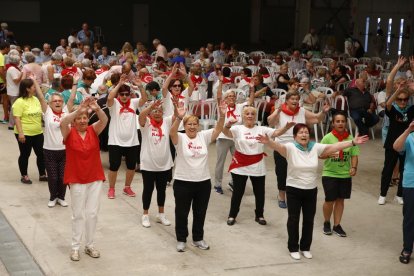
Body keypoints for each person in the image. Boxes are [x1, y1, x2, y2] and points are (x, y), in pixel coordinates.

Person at [257, 123, 368, 260]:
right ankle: (293, 247)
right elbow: (278, 147)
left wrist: (352, 142)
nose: (304, 135)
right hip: (293, 190)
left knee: (309, 220)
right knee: (293, 219)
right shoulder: (290, 148)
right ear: (294, 136)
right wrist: (268, 142)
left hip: (311, 190)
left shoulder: (315, 147)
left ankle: (305, 247)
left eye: (306, 132)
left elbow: (333, 147)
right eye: (301, 132)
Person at [222, 106, 294, 226]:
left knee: (259, 192)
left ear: (255, 117)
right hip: (240, 164)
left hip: (257, 164)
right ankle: (232, 215)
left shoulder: (262, 129)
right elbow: (225, 132)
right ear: (243, 116)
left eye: (252, 114)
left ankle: (259, 215)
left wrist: (286, 127)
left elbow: (276, 132)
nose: (250, 116)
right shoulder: (237, 129)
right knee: (237, 193)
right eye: (247, 114)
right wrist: (228, 124)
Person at [170, 99, 226, 252]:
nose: (192, 126)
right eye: (189, 124)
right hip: (183, 182)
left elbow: (218, 129)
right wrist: (180, 118)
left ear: (198, 125)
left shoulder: (204, 136)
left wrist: (222, 116)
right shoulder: (180, 138)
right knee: (181, 213)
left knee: (200, 213)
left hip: (203, 182)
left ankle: (198, 238)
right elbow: (172, 133)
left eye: (195, 124)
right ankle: (181, 239)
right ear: (185, 126)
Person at [60, 97, 108, 261]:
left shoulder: (93, 130)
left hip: (94, 177)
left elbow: (104, 119)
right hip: (76, 179)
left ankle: (89, 245)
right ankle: (75, 247)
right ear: (74, 121)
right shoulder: (68, 132)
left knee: (92, 213)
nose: (82, 120)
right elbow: (63, 121)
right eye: (79, 118)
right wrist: (78, 110)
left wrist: (96, 109)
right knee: (78, 214)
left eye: (84, 118)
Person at [267, 91, 330, 209]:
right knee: (282, 172)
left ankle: (294, 195)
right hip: (282, 146)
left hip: (299, 147)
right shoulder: (280, 111)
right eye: (292, 99)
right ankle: (281, 196)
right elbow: (270, 122)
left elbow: (317, 119)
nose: (295, 101)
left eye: (297, 99)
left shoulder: (302, 111)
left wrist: (323, 112)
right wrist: (278, 111)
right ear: (287, 101)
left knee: (297, 171)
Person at [35, 74, 76, 207]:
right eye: (55, 101)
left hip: (65, 151)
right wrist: (35, 81)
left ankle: (61, 197)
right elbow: (41, 97)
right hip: (50, 151)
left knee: (63, 177)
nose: (58, 102)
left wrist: (74, 84)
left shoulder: (66, 111)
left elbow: (71, 98)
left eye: (59, 101)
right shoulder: (47, 113)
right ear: (50, 104)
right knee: (53, 177)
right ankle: (53, 197)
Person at [320, 111, 360, 237]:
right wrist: (327, 154)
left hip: (345, 175)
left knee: (340, 200)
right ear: (333, 124)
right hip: (329, 173)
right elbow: (319, 154)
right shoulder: (327, 138)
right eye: (338, 121)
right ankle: (327, 222)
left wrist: (354, 167)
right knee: (329, 200)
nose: (340, 123)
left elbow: (354, 155)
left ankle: (337, 225)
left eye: (343, 121)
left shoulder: (351, 139)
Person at [106, 75, 145, 199]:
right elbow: (109, 97)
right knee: (114, 166)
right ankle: (111, 188)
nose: (124, 96)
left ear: (129, 95)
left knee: (131, 166)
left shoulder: (133, 102)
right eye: (121, 94)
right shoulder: (114, 103)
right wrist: (118, 84)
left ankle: (127, 187)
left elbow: (144, 98)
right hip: (115, 141)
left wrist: (140, 86)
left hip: (132, 142)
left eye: (126, 94)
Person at [214, 82, 254, 194]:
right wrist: (220, 83)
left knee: (237, 162)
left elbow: (250, 101)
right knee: (220, 162)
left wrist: (252, 89)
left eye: (233, 96)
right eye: (229, 96)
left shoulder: (240, 107)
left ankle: (233, 182)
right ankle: (217, 184)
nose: (231, 98)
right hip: (223, 138)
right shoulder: (222, 107)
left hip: (236, 139)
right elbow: (218, 96)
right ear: (225, 99)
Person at [138, 100, 173, 227]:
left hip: (164, 164)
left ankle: (161, 214)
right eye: (154, 111)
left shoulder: (167, 123)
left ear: (163, 113)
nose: (157, 113)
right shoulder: (146, 123)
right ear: (150, 113)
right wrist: (150, 107)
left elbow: (177, 116)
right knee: (148, 189)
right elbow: (141, 116)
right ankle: (145, 214)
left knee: (161, 190)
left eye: (159, 110)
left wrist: (174, 104)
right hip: (148, 164)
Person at [12, 77, 48, 184]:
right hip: (25, 133)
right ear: (27, 89)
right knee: (25, 154)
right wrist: (21, 133)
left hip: (38, 132)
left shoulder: (35, 99)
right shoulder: (19, 102)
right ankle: (24, 175)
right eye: (33, 86)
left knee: (41, 154)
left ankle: (42, 174)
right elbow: (17, 118)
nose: (35, 88)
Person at [393, 120, 414, 264]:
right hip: (411, 183)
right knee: (410, 218)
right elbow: (396, 147)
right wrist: (408, 130)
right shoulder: (411, 137)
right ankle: (407, 249)